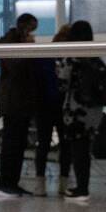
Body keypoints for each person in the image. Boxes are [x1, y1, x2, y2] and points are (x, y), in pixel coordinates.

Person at [58, 20, 106, 201]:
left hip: (75, 111)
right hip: (94, 112)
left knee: (77, 150)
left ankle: (81, 188)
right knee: (85, 149)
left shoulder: (72, 58)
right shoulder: (96, 58)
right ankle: (83, 186)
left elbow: (63, 82)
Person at [0, 14, 41, 198]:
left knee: (19, 144)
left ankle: (13, 182)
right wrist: (29, 49)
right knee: (11, 144)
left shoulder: (17, 41)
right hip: (13, 102)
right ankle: (6, 183)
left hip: (22, 102)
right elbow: (14, 66)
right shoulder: (9, 42)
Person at [31, 23, 71, 196]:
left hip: (44, 106)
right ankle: (64, 184)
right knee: (65, 145)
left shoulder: (44, 56)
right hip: (64, 106)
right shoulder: (70, 58)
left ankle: (40, 184)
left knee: (43, 144)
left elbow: (37, 81)